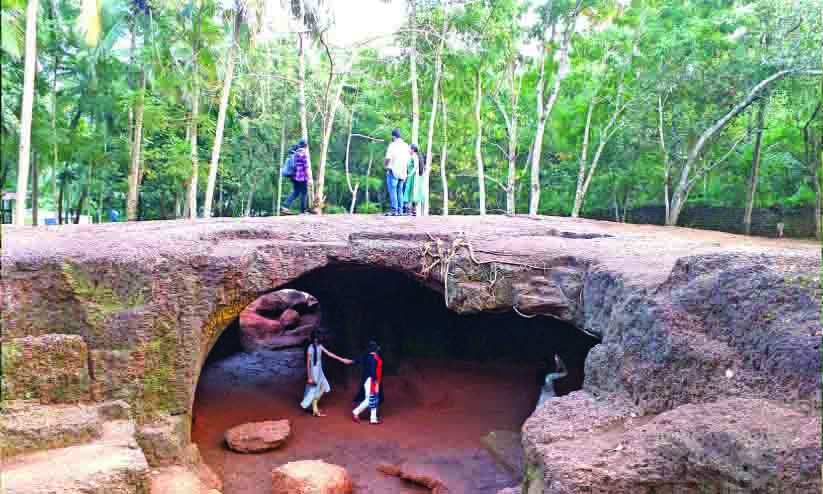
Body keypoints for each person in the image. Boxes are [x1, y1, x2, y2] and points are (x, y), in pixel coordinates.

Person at [301, 331, 352, 417]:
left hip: (319, 370)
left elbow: (329, 354)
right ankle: (315, 410)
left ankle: (314, 407)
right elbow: (308, 363)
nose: (319, 340)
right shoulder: (310, 348)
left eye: (319, 338)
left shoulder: (320, 346)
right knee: (315, 389)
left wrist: (342, 359)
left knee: (323, 387)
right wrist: (309, 377)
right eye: (317, 338)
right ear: (314, 339)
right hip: (314, 371)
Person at [352, 340, 384, 424]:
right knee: (370, 398)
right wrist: (375, 380)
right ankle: (356, 412)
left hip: (373, 379)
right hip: (371, 380)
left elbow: (358, 359)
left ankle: (373, 418)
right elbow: (372, 370)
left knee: (374, 398)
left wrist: (352, 361)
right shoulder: (372, 357)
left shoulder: (370, 355)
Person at [384, 129, 410, 216]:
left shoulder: (392, 145)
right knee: (400, 191)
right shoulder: (406, 146)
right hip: (403, 172)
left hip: (393, 171)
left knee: (393, 190)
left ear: (393, 136)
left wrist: (385, 166)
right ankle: (400, 210)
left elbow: (388, 158)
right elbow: (409, 159)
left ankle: (394, 210)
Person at [283, 140, 309, 214]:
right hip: (302, 177)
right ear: (306, 146)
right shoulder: (303, 154)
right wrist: (309, 178)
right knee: (304, 193)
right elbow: (306, 167)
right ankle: (303, 211)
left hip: (294, 176)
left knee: (296, 192)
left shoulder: (295, 153)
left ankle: (285, 206)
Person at [403, 144, 424, 216]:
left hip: (413, 177)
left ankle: (410, 210)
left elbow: (415, 167)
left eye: (409, 148)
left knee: (412, 192)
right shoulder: (412, 156)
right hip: (412, 176)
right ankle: (412, 210)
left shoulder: (414, 156)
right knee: (411, 192)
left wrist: (410, 174)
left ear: (412, 149)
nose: (408, 150)